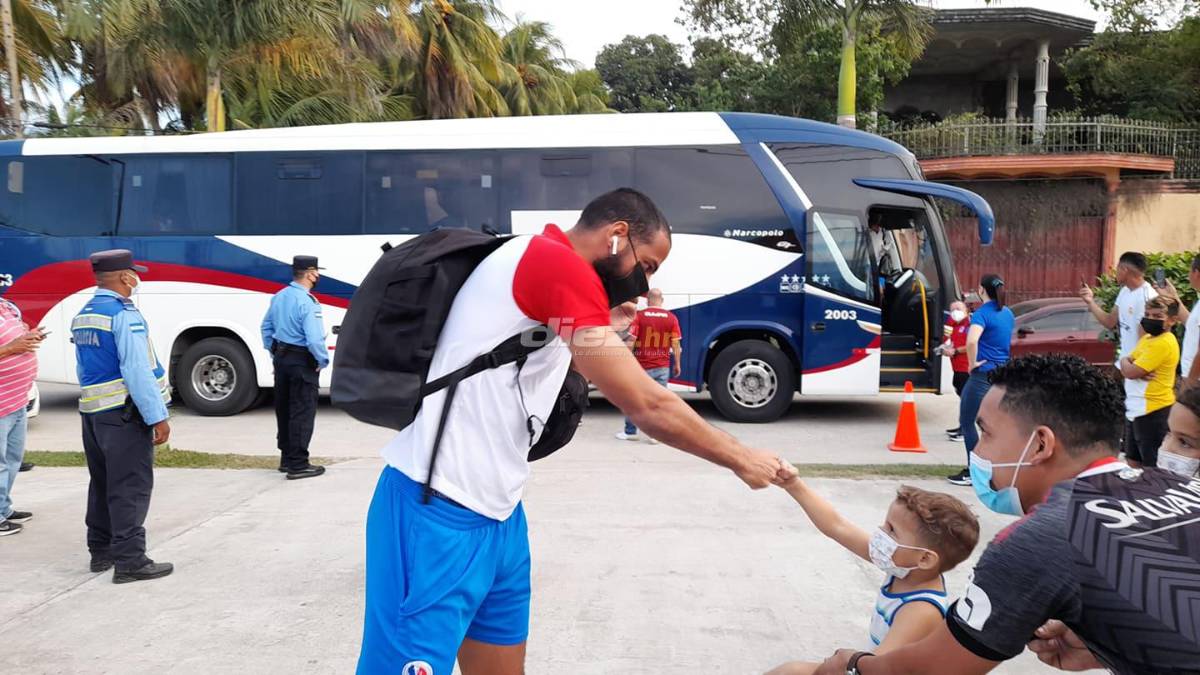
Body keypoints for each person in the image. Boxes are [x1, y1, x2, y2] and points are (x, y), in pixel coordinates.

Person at [357, 188, 796, 675]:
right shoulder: (554, 264)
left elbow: (532, 341)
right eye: (647, 265)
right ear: (617, 236)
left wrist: (604, 323)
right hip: (435, 509)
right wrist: (740, 456)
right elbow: (646, 403)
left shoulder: (541, 262)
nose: (641, 281)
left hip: (501, 516)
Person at [811, 354, 1200, 675]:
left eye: (987, 434)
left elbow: (931, 668)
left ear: (1040, 444)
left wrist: (853, 665)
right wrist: (1105, 645)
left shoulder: (1039, 539)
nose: (978, 453)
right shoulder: (1178, 488)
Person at [765, 478, 979, 675]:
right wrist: (793, 484)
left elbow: (878, 667)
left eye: (892, 530)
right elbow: (837, 526)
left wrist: (838, 666)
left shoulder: (921, 610)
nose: (881, 533)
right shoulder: (904, 567)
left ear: (924, 559)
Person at [72, 249, 173, 583]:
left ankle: (100, 552)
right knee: (130, 485)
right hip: (123, 415)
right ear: (125, 277)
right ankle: (130, 560)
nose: (137, 279)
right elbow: (136, 370)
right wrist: (157, 415)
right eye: (134, 273)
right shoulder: (123, 314)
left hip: (94, 415)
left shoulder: (85, 312)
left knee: (102, 484)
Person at [261, 255, 329, 481]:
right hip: (302, 361)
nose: (318, 276)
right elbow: (314, 339)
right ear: (310, 274)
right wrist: (321, 360)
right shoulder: (307, 302)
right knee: (302, 410)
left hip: (282, 359)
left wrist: (274, 353)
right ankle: (299, 465)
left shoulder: (279, 296)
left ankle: (286, 458)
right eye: (316, 272)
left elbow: (266, 327)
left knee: (285, 409)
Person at [947, 275, 1014, 487]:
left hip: (982, 374)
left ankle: (974, 473)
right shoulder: (1007, 313)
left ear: (981, 290)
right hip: (1002, 374)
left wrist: (972, 363)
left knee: (967, 422)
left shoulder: (981, 314)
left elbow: (972, 340)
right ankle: (995, 468)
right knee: (993, 423)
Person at [1119, 296, 1180, 468]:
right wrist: (1127, 363)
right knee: (1132, 460)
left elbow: (1130, 371)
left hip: (1153, 410)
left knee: (1151, 465)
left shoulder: (1164, 343)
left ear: (1172, 320)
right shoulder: (1147, 339)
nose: (1150, 319)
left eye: (1157, 316)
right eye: (1147, 314)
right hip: (1136, 409)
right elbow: (1128, 361)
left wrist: (1129, 366)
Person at [615, 288, 682, 443]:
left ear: (648, 300)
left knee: (634, 400)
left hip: (643, 366)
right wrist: (677, 364)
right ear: (662, 300)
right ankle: (655, 435)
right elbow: (676, 344)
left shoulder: (640, 316)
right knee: (658, 402)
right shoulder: (671, 318)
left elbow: (631, 341)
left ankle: (631, 432)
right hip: (663, 367)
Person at [0, 296, 43, 536]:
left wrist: (30, 337)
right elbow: (11, 346)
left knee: (13, 458)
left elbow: (17, 340)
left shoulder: (5, 307)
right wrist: (11, 348)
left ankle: (3, 509)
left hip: (16, 399)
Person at [1080, 251, 1158, 362]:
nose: (1115, 272)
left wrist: (1142, 365)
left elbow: (1154, 338)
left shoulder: (1149, 297)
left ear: (1124, 270)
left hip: (1139, 366)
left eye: (1117, 268)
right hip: (1124, 362)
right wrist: (1090, 301)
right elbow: (1110, 322)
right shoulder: (1125, 291)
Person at [1155, 255, 1200, 390]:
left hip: (1195, 382)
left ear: (1196, 273)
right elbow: (1192, 325)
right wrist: (1173, 298)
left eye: (1189, 270)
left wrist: (1190, 381)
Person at [941, 301, 971, 442]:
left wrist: (956, 350)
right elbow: (946, 340)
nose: (955, 312)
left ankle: (965, 430)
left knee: (967, 399)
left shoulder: (970, 324)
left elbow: (972, 344)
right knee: (962, 397)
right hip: (957, 367)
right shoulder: (953, 324)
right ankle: (962, 426)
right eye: (952, 309)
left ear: (966, 310)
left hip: (967, 367)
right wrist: (946, 349)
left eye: (958, 309)